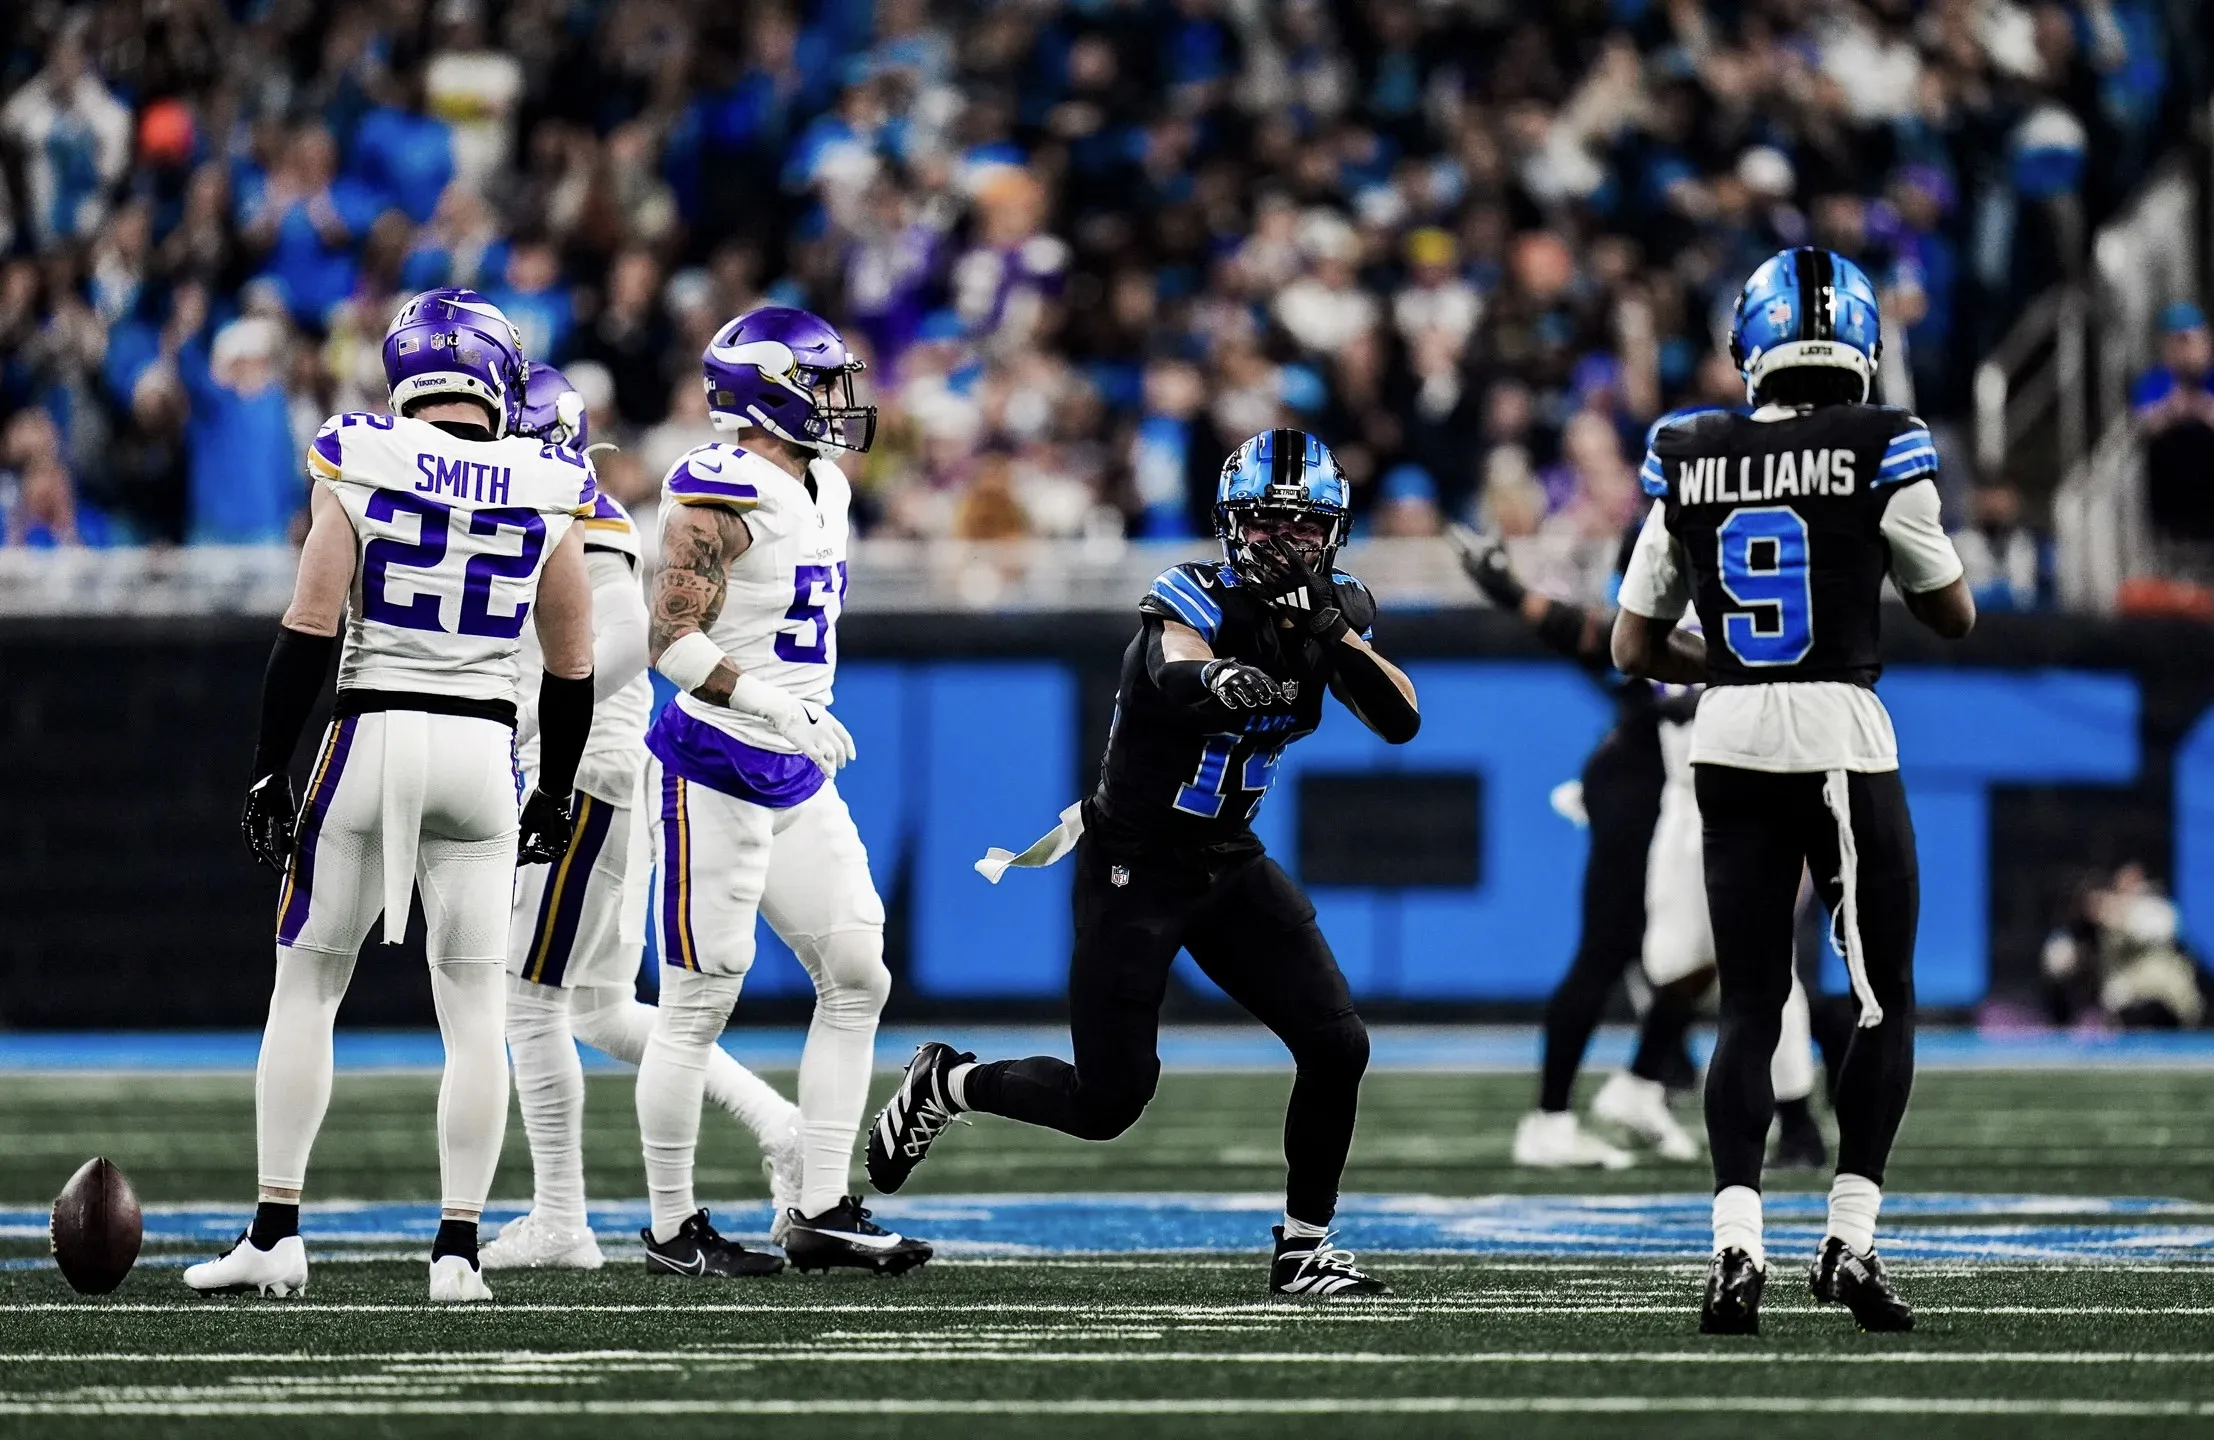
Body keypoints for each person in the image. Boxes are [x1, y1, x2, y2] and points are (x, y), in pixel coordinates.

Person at [867, 428, 1423, 1297]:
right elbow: (1173, 668)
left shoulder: (1336, 606)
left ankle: (1304, 1249)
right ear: (1232, 526)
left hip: (1229, 861)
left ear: (1334, 533)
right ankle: (950, 1081)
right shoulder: (1193, 595)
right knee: (1107, 1104)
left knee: (1336, 1043)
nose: (1286, 544)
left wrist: (1330, 634)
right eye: (1267, 526)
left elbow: (1400, 719)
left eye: (1304, 528)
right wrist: (1222, 684)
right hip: (1136, 866)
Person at [185, 288, 599, 1302]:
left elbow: (310, 624)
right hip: (484, 753)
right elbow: (573, 662)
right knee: (473, 1015)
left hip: (369, 731)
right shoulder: (550, 478)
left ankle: (277, 1232)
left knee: (307, 988)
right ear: (497, 379)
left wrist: (263, 766)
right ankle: (457, 1253)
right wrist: (555, 791)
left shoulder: (358, 451)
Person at [1612, 248, 1975, 1335]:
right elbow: (1951, 610)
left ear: (1753, 342)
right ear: (1859, 340)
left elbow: (1634, 641)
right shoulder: (1883, 442)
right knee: (1882, 999)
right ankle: (1850, 1241)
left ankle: (1735, 1248)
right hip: (1837, 733)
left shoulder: (1689, 450)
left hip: (1723, 739)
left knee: (1749, 1003)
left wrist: (1731, 660)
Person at [480, 362, 804, 1273]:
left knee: (529, 1003)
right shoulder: (552, 505)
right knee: (597, 1007)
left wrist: (520, 719)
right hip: (598, 780)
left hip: (582, 778)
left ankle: (560, 1220)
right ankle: (779, 1122)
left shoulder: (576, 514)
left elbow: (624, 638)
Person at [636, 306, 930, 1278]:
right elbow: (672, 643)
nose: (841, 401)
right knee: (696, 1004)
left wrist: (792, 718)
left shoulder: (829, 485)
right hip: (712, 762)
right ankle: (674, 1229)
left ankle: (820, 1207)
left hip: (796, 771)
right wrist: (768, 699)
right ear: (764, 390)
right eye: (821, 381)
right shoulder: (712, 492)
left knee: (859, 970)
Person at [1450, 524, 1826, 1173]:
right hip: (1653, 795)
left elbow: (1594, 639)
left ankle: (1648, 1083)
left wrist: (1513, 593)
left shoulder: (1730, 605)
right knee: (1623, 950)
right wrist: (1513, 593)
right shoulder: (1678, 607)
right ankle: (1558, 1114)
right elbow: (1602, 640)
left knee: (1704, 959)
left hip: (1690, 794)